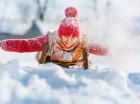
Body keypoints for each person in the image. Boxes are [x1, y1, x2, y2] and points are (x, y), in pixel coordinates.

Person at [0, 7, 108, 69]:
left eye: (72, 37)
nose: (69, 40)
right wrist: (4, 44)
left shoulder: (84, 41)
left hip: (76, 64)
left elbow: (100, 49)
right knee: (43, 50)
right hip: (53, 63)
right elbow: (27, 45)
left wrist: (117, 51)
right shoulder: (50, 39)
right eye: (65, 36)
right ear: (60, 34)